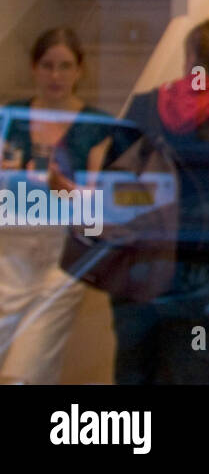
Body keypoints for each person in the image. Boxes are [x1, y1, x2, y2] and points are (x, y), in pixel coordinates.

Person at [109, 19, 209, 384]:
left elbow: (112, 189)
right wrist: (187, 218)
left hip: (138, 279)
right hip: (201, 283)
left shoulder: (143, 109)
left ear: (190, 57)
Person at [0, 28, 115, 383]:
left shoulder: (95, 127)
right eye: (48, 66)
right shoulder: (10, 117)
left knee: (27, 369)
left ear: (79, 71)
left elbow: (95, 220)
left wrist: (62, 190)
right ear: (34, 68)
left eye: (65, 66)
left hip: (62, 255)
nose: (56, 76)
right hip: (10, 252)